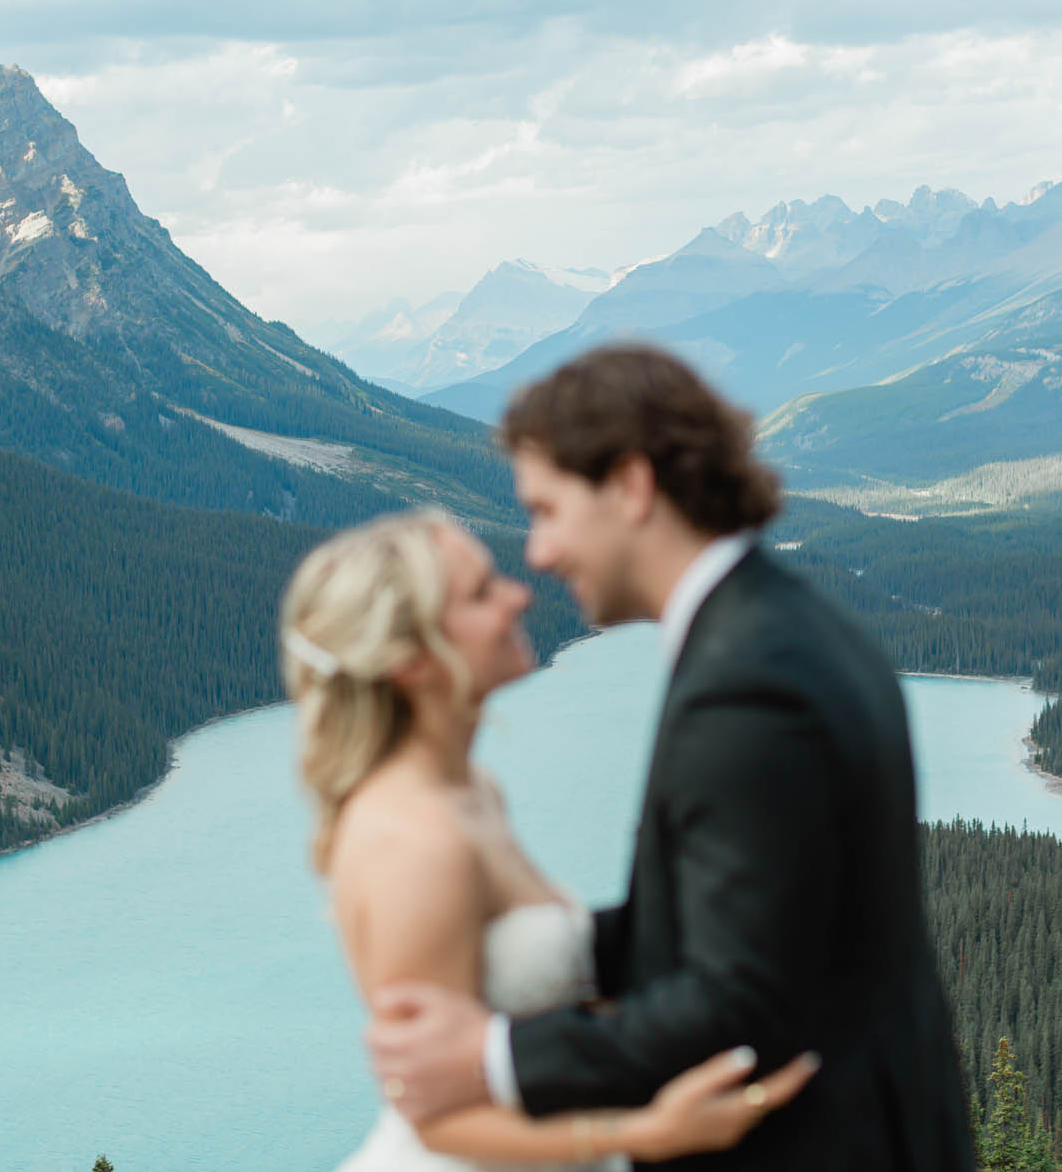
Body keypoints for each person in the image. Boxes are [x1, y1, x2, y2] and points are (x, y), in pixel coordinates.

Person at [366, 345, 975, 1171]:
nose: (537, 554)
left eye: (547, 509)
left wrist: (493, 1056)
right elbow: (767, 918)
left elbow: (738, 997)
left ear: (630, 485)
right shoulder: (784, 626)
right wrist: (569, 948)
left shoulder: (747, 686)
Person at [282, 508, 820, 1170]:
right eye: (481, 593)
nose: (520, 593)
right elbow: (438, 1120)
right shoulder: (414, 845)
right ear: (411, 660)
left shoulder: (474, 792)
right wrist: (645, 1132)